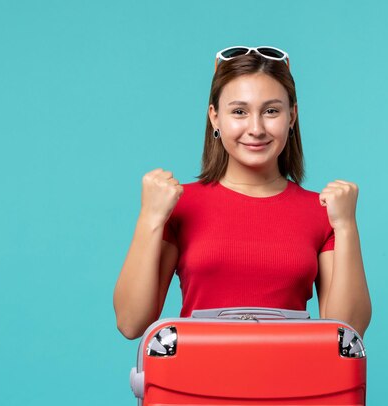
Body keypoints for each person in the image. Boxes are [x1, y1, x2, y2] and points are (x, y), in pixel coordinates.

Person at [113, 46, 371, 340]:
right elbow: (131, 322)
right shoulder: (178, 205)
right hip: (194, 381)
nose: (256, 128)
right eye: (239, 112)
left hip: (295, 382)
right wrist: (150, 218)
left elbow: (348, 331)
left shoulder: (324, 211)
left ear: (292, 116)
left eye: (271, 111)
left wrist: (346, 226)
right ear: (215, 117)